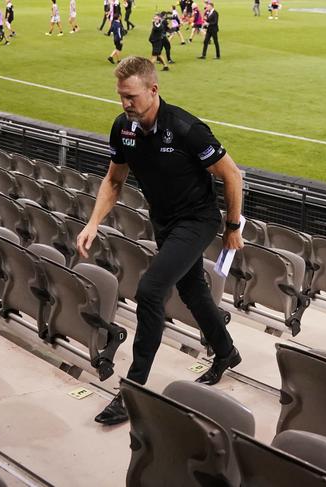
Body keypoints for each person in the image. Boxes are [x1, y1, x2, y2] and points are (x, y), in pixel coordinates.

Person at [78, 56, 244, 426]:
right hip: (164, 222)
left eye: (131, 97)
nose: (125, 104)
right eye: (120, 96)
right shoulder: (123, 128)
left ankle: (132, 390)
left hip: (198, 220)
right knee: (193, 293)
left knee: (151, 290)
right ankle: (226, 352)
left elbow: (232, 174)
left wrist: (232, 227)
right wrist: (93, 223)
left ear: (153, 90)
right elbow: (114, 181)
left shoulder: (186, 129)